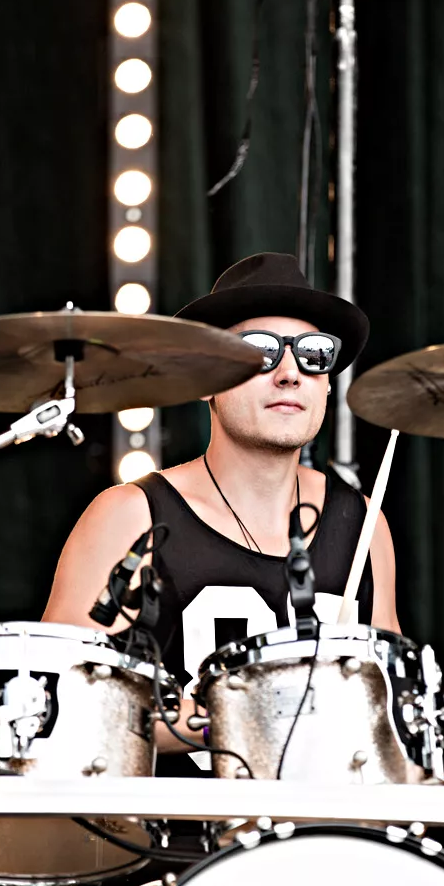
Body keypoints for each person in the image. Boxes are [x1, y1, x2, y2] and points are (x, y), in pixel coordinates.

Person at [42, 252, 400, 757]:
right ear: (207, 380)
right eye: (260, 352)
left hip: (327, 811)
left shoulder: (364, 524)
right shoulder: (130, 515)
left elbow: (393, 708)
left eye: (315, 354)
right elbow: (60, 703)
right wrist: (242, 722)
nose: (290, 373)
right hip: (176, 810)